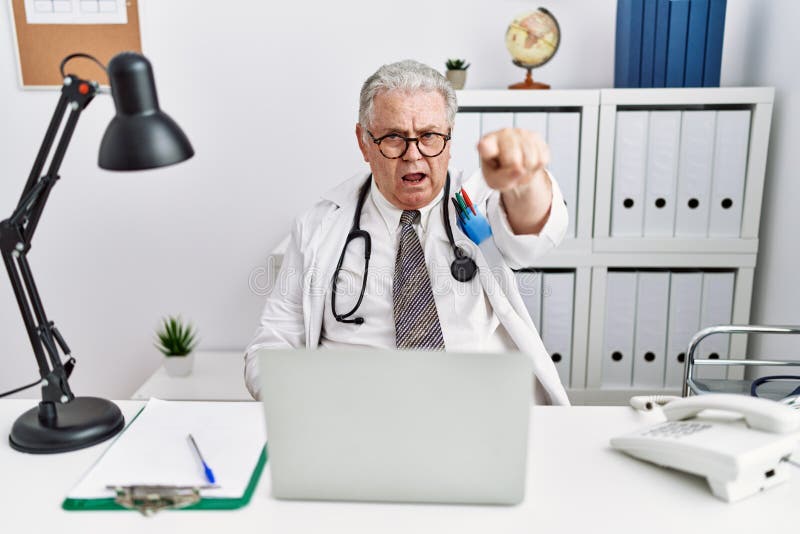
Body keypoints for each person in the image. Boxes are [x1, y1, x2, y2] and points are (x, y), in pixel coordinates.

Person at [244, 60, 569, 405]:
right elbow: (274, 341)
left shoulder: (478, 201)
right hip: (356, 416)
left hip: (474, 412)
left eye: (429, 136)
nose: (413, 156)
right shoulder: (318, 226)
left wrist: (525, 180)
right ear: (364, 142)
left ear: (449, 136)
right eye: (394, 138)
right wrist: (301, 404)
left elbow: (530, 235)